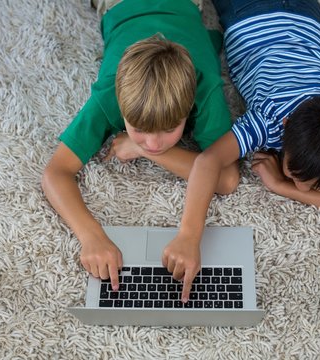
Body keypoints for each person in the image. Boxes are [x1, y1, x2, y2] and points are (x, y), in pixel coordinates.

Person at [162, 0, 320, 302]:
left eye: (319, 186)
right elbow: (208, 161)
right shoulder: (269, 117)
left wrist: (281, 185)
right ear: (285, 127)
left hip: (302, 12)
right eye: (295, 175)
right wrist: (188, 236)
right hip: (246, 9)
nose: (304, 186)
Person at [41, 0, 238, 294]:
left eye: (171, 129)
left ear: (188, 108)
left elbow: (228, 179)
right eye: (140, 131)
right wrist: (91, 236)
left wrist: (141, 148)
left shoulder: (204, 89)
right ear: (121, 108)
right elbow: (55, 172)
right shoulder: (109, 95)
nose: (155, 143)